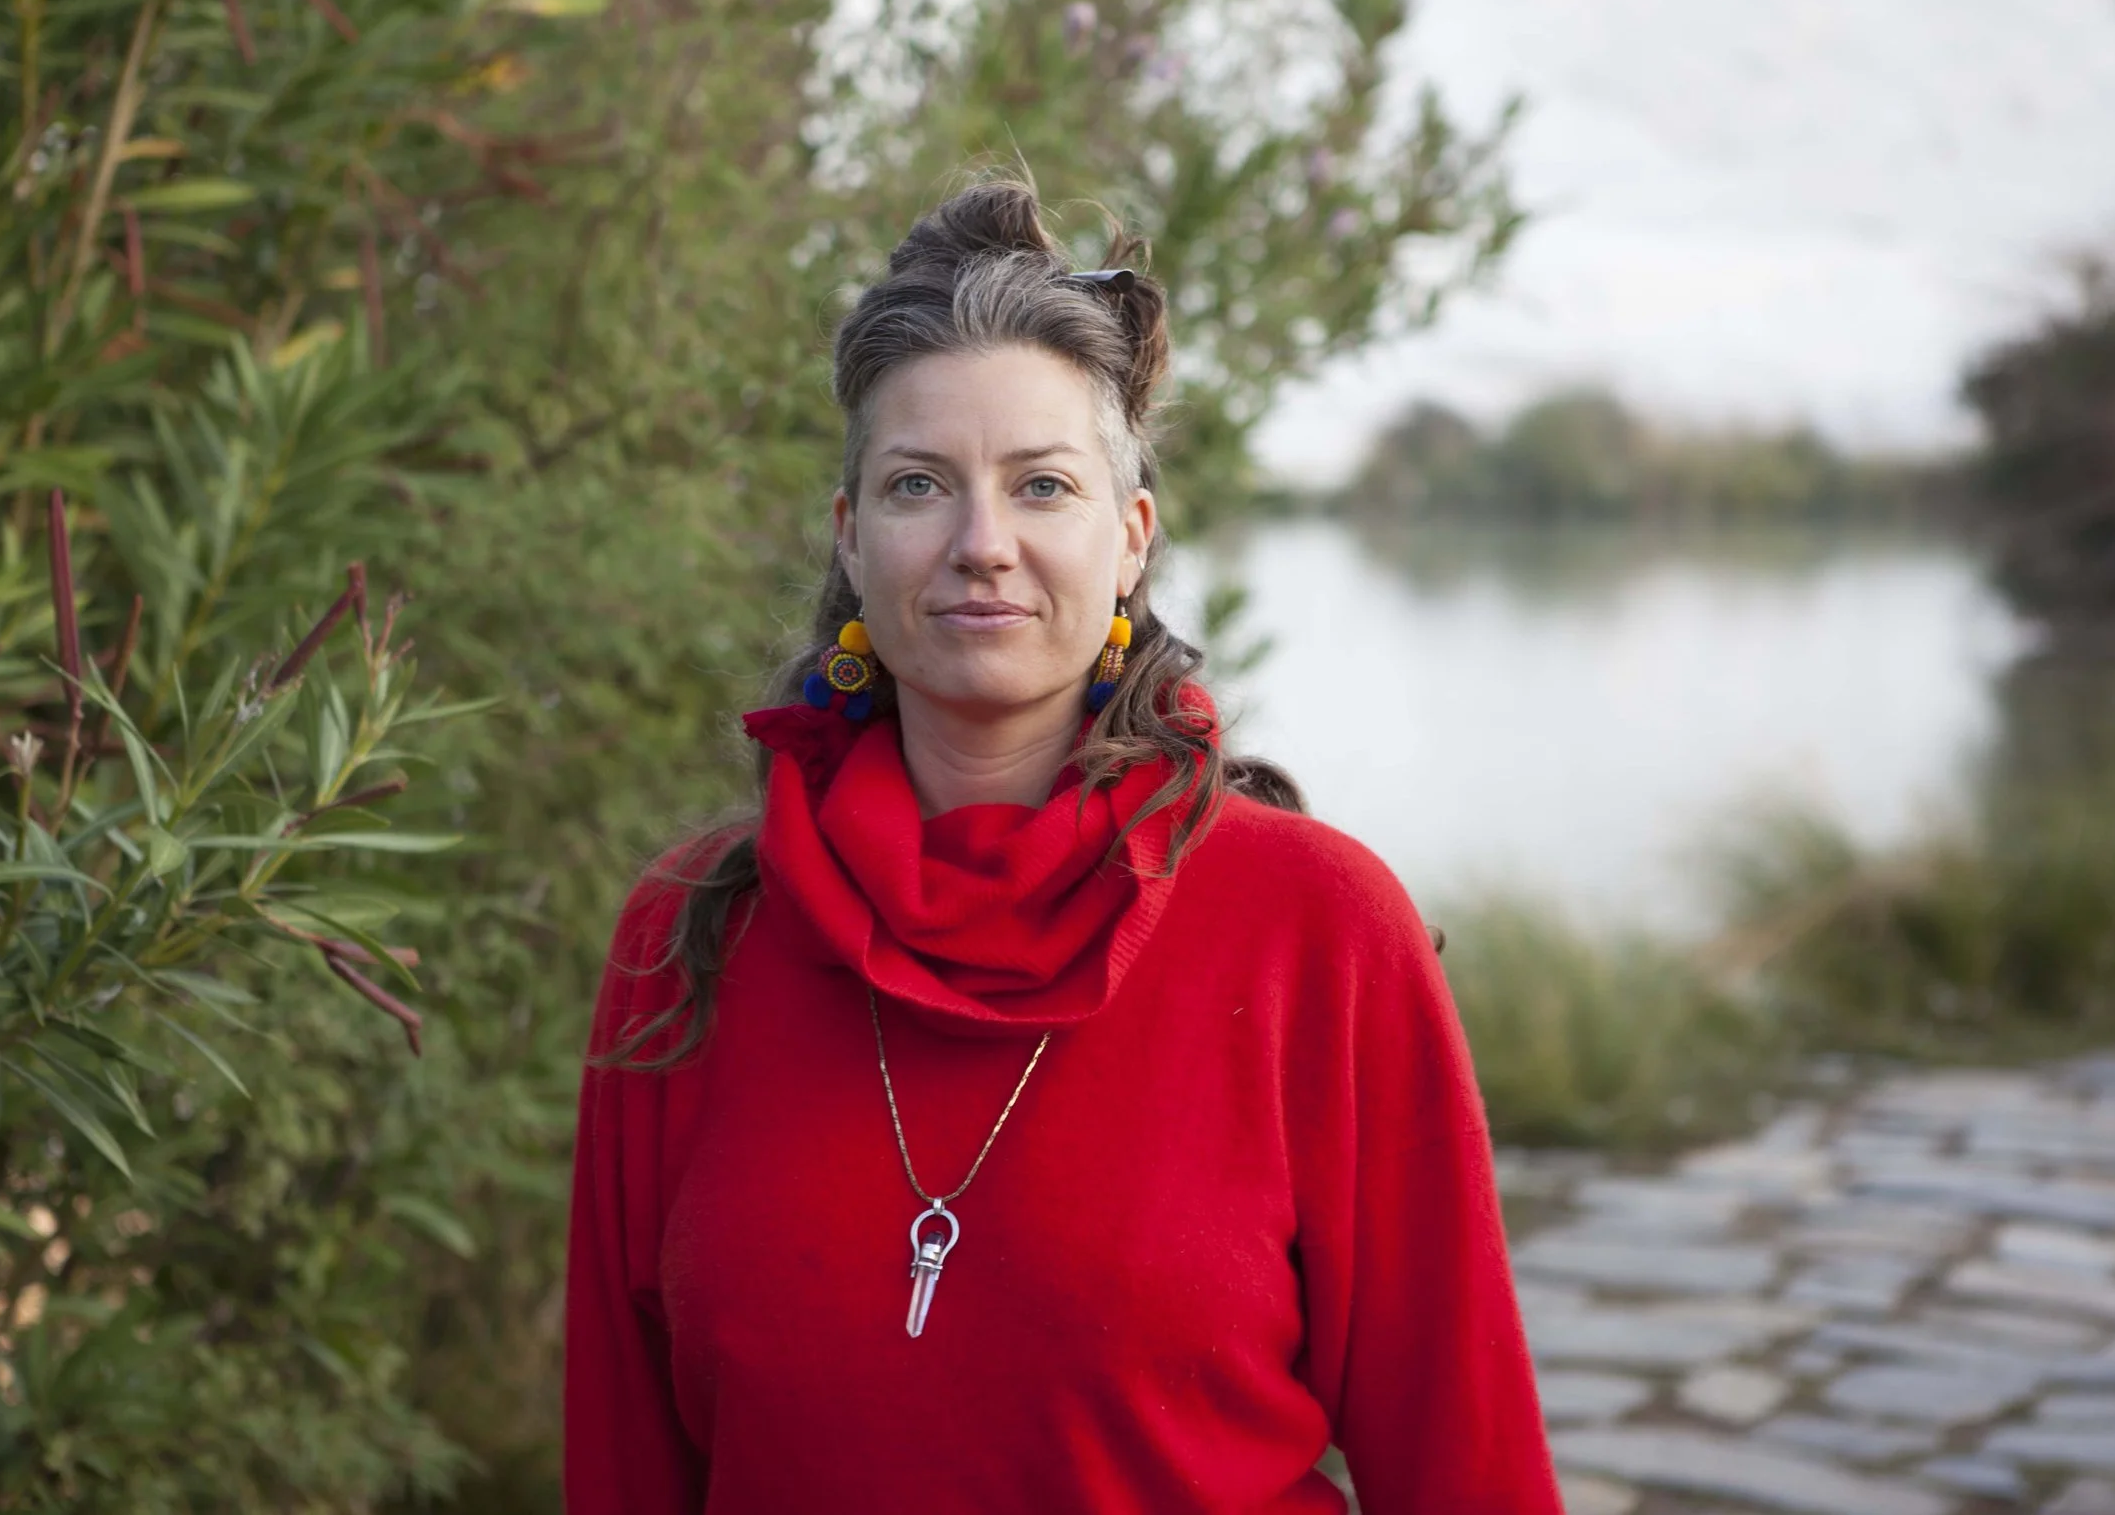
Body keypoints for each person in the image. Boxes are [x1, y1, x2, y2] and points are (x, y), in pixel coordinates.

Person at [561, 177, 1560, 1512]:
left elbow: (1467, 1459)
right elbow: (624, 1460)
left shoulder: (1320, 928)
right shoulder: (688, 933)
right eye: (920, 485)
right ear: (853, 540)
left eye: (1042, 485)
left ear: (1130, 541)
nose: (984, 545)